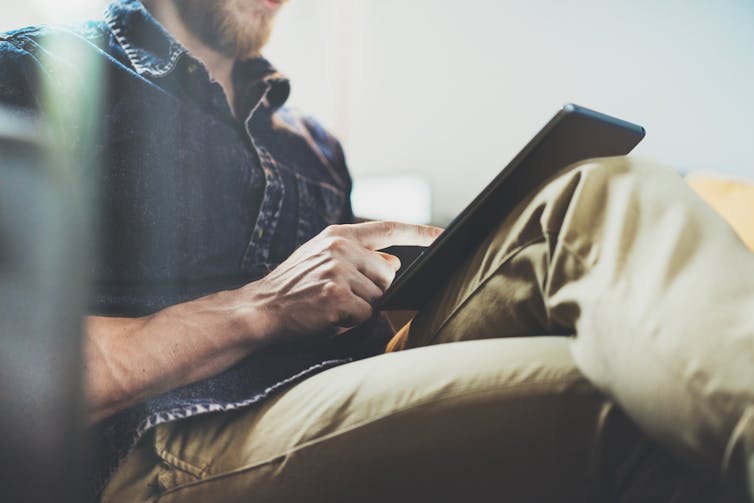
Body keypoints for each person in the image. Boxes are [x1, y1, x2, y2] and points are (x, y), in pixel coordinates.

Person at [0, 0, 751, 501]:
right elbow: (17, 377)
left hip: (333, 389)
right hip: (162, 444)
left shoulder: (314, 143)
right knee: (623, 400)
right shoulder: (40, 73)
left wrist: (409, 291)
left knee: (601, 188)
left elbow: (363, 344)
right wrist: (263, 307)